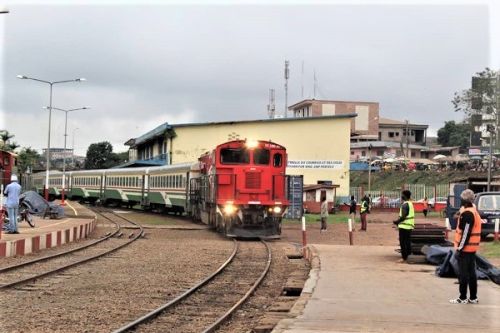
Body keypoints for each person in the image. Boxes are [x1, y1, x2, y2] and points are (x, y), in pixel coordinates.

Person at [449, 189, 481, 304]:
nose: (460, 202)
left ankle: (462, 297)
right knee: (472, 273)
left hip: (466, 249)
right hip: (472, 248)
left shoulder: (468, 214)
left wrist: (460, 249)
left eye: (461, 200)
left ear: (465, 200)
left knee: (463, 274)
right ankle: (473, 297)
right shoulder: (472, 210)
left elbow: (466, 233)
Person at [393, 190, 414, 263]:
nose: (401, 196)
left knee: (403, 242)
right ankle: (409, 258)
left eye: (402, 195)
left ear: (405, 196)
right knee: (408, 242)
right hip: (409, 226)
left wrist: (397, 222)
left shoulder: (405, 205)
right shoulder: (410, 204)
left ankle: (404, 258)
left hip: (404, 226)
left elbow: (404, 216)